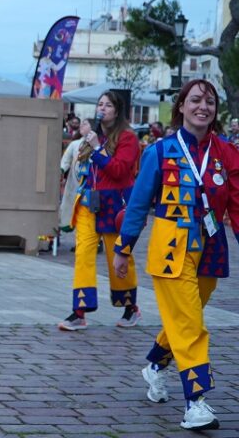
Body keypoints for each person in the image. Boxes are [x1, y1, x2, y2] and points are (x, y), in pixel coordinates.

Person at [113, 80, 239, 431]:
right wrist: (123, 248)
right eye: (195, 100)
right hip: (171, 248)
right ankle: (195, 402)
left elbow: (237, 205)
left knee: (184, 317)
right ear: (181, 106)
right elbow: (138, 204)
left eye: (210, 101)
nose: (203, 107)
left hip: (211, 247)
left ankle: (155, 366)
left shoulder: (227, 153)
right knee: (190, 324)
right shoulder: (159, 151)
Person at [58, 90, 140, 331]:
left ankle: (130, 307)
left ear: (117, 110)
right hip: (89, 203)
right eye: (100, 104)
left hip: (115, 205)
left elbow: (119, 171)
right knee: (83, 254)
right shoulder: (94, 135)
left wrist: (97, 148)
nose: (102, 109)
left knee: (119, 256)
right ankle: (79, 311)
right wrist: (87, 142)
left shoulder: (128, 138)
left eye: (108, 105)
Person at [58, 118, 92, 232]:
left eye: (85, 124)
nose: (81, 125)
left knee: (89, 212)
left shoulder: (98, 145)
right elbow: (65, 161)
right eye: (81, 123)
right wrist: (61, 170)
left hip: (91, 186)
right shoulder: (74, 144)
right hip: (74, 183)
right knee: (71, 206)